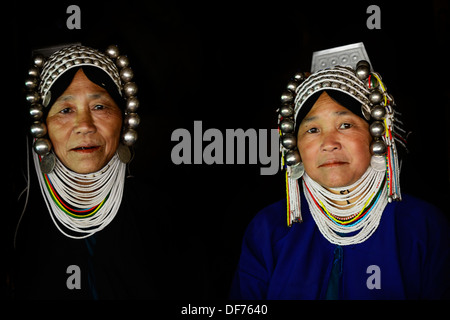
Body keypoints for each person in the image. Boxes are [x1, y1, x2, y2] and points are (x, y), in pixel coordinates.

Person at [230, 43, 450, 299]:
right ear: (295, 147)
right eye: (312, 130)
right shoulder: (269, 229)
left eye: (345, 125)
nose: (329, 143)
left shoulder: (422, 227)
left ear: (376, 136)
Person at [13, 44, 167, 299]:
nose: (84, 126)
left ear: (124, 118)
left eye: (99, 107)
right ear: (42, 125)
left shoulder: (160, 215)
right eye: (65, 110)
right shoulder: (19, 219)